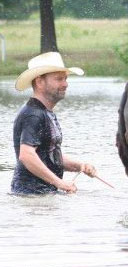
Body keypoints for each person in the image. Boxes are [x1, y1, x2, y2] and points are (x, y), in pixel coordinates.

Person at [11, 52, 97, 195]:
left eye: (65, 78)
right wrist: (60, 183)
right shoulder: (33, 114)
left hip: (42, 195)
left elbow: (49, 155)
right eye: (59, 79)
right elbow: (26, 155)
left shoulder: (45, 113)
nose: (65, 84)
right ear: (39, 82)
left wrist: (80, 166)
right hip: (30, 196)